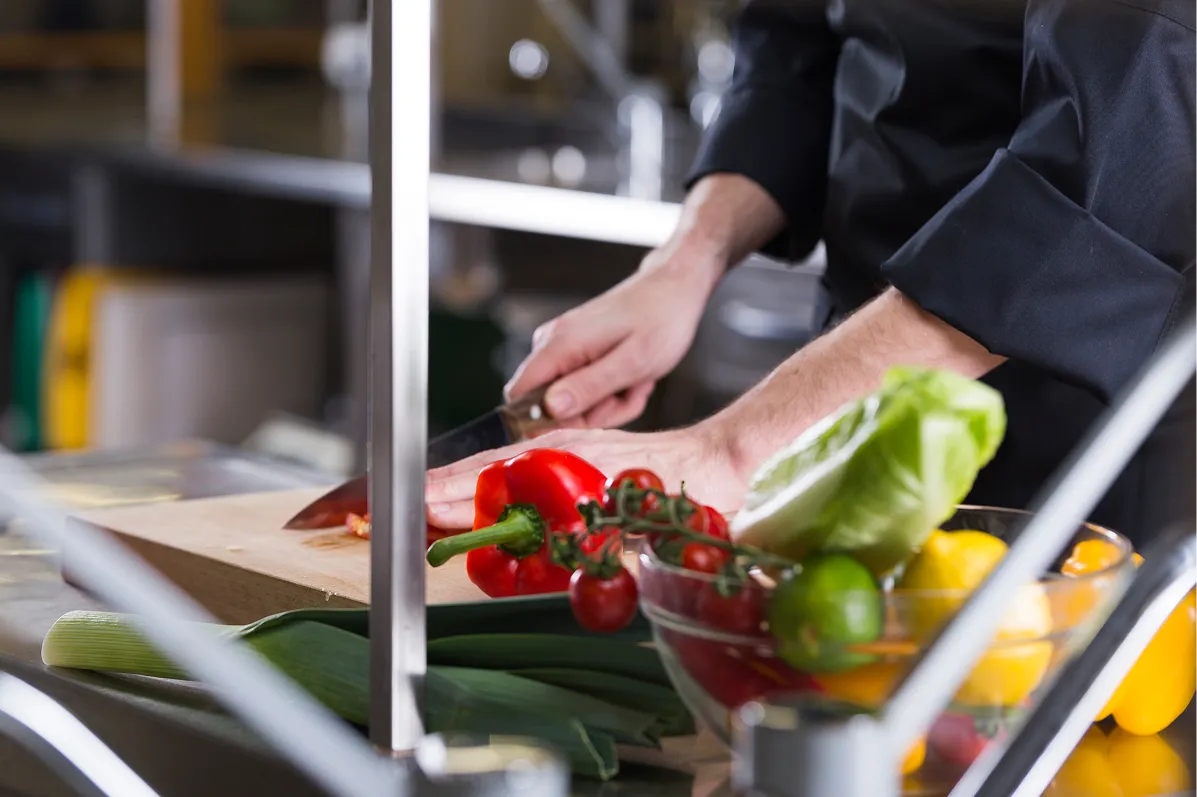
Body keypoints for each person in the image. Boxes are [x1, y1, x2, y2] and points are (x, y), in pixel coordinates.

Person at [427, 0, 1197, 547]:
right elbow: (794, 42)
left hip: (1094, 435)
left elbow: (1113, 164)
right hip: (841, 398)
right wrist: (684, 262)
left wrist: (732, 449)